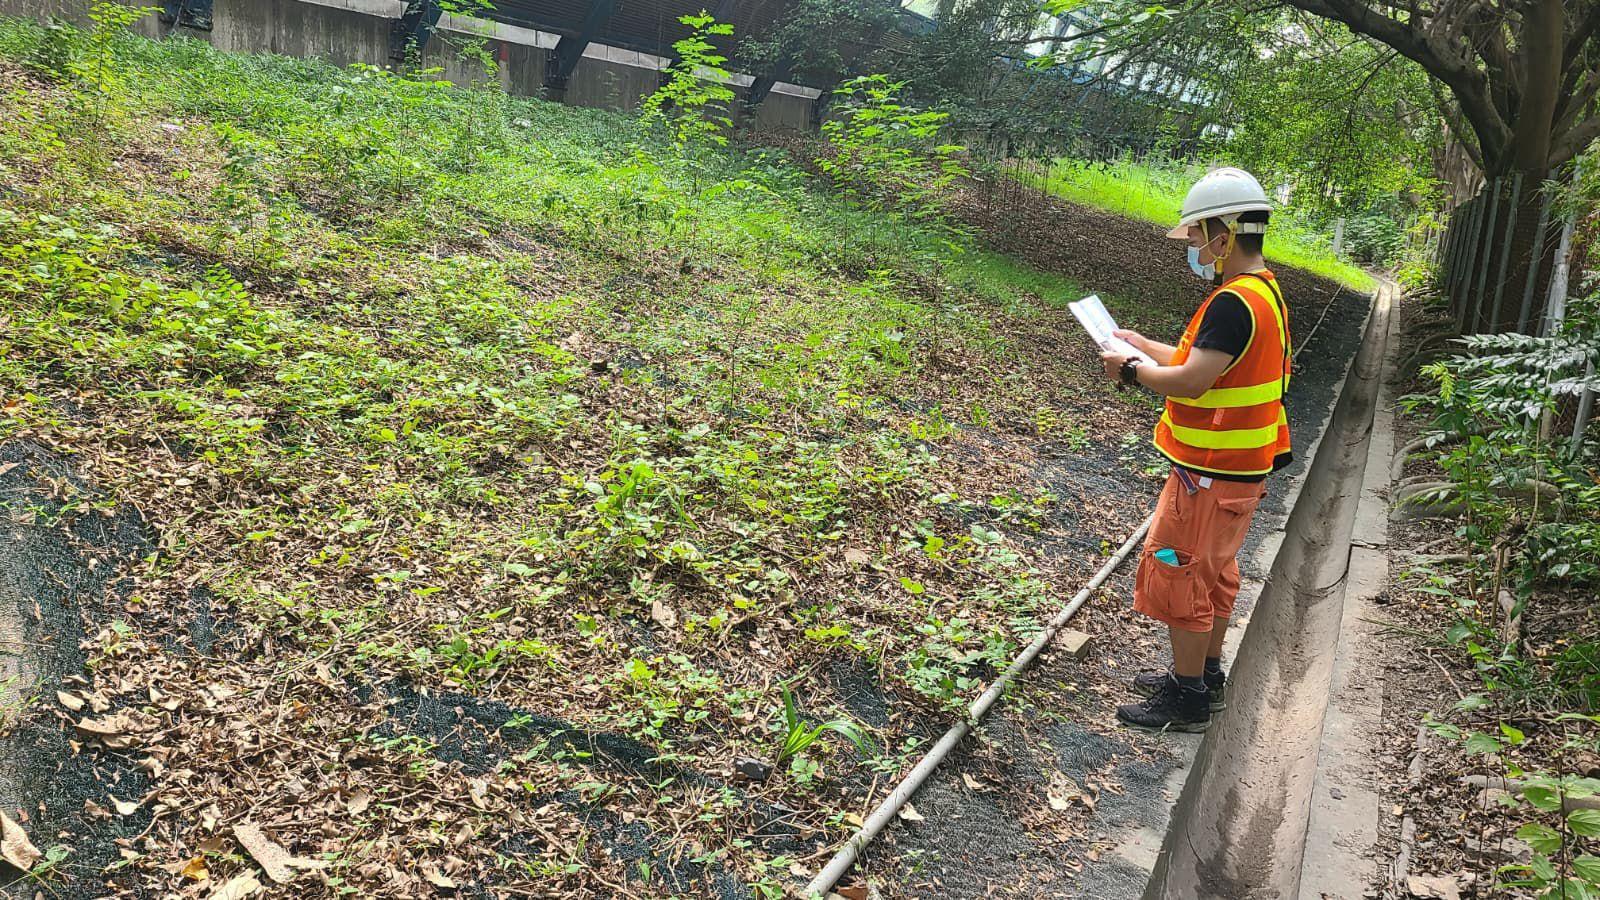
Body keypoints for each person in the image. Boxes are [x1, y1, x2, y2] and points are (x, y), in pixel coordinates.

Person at [1098, 167, 1290, 732]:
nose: (1197, 249)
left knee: (1177, 569)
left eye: (1201, 235)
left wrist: (1132, 371)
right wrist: (1142, 345)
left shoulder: (1233, 302)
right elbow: (1200, 359)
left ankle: (1185, 700)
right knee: (1214, 572)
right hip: (1239, 472)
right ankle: (1204, 676)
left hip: (1207, 473)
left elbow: (1190, 381)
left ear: (1225, 234)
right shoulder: (1263, 293)